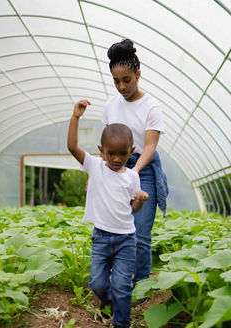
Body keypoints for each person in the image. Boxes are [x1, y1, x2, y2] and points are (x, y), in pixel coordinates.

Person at [68, 99, 149, 328]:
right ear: (101, 151)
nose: (116, 159)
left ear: (131, 152)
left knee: (122, 285)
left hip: (126, 240)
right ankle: (109, 302)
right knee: (97, 284)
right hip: (101, 238)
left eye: (122, 154)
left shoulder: (132, 176)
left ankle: (121, 323)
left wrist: (140, 201)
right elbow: (72, 147)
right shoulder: (95, 166)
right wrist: (75, 117)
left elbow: (132, 209)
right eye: (111, 153)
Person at [103, 38, 168, 289]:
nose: (121, 86)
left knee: (140, 234)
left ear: (138, 74)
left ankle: (140, 284)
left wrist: (134, 172)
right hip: (116, 166)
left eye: (126, 80)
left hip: (144, 169)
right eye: (116, 81)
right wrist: (103, 173)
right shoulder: (111, 105)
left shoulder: (151, 106)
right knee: (115, 228)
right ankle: (117, 279)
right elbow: (108, 144)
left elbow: (150, 146)